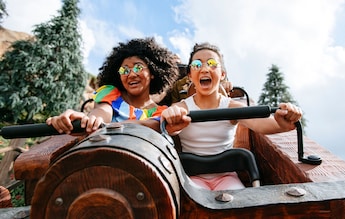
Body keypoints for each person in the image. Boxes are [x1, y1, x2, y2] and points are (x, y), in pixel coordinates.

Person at [161, 42, 302, 191]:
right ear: (190, 75)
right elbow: (168, 121)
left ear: (222, 74)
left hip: (226, 177)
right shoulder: (183, 107)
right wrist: (170, 118)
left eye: (212, 64)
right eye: (197, 64)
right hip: (192, 176)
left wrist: (283, 123)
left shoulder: (231, 107)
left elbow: (260, 123)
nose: (204, 69)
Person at [47, 37, 179, 134]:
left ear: (153, 73)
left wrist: (107, 126)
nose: (131, 74)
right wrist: (89, 120)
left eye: (138, 67)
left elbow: (153, 125)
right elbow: (102, 112)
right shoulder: (111, 94)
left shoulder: (161, 112)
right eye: (124, 70)